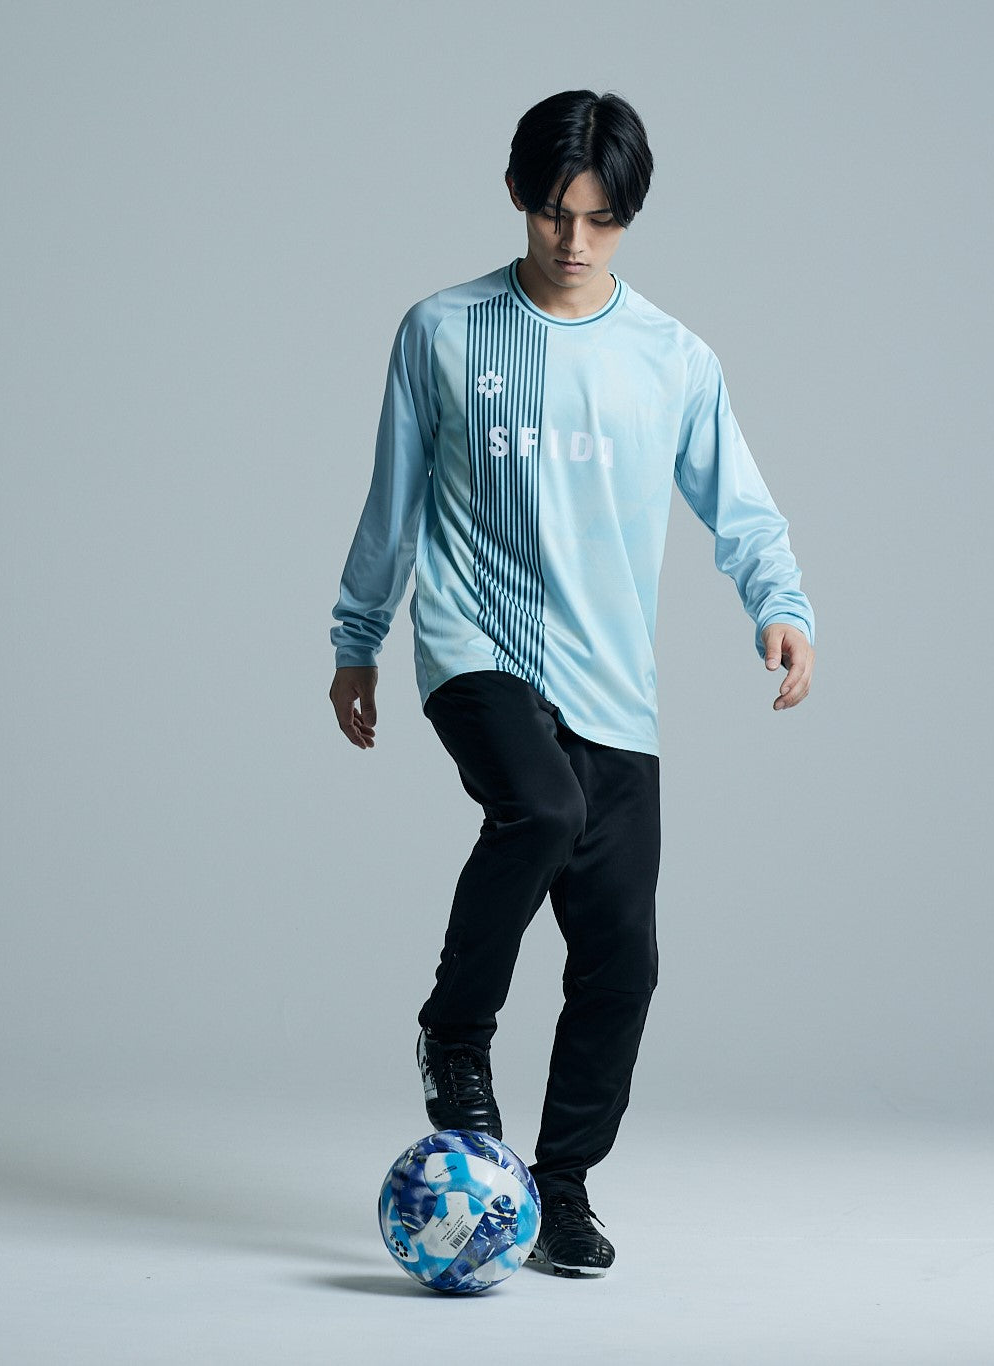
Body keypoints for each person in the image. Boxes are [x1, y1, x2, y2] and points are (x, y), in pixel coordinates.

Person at [327, 89, 815, 1278]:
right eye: (555, 213)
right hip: (476, 643)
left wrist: (780, 604)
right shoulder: (443, 331)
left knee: (622, 962)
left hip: (612, 682)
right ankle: (454, 1038)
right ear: (517, 197)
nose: (574, 240)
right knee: (538, 808)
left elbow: (739, 506)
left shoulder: (672, 358)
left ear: (628, 218)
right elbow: (392, 501)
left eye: (601, 219)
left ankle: (560, 1186)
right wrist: (357, 637)